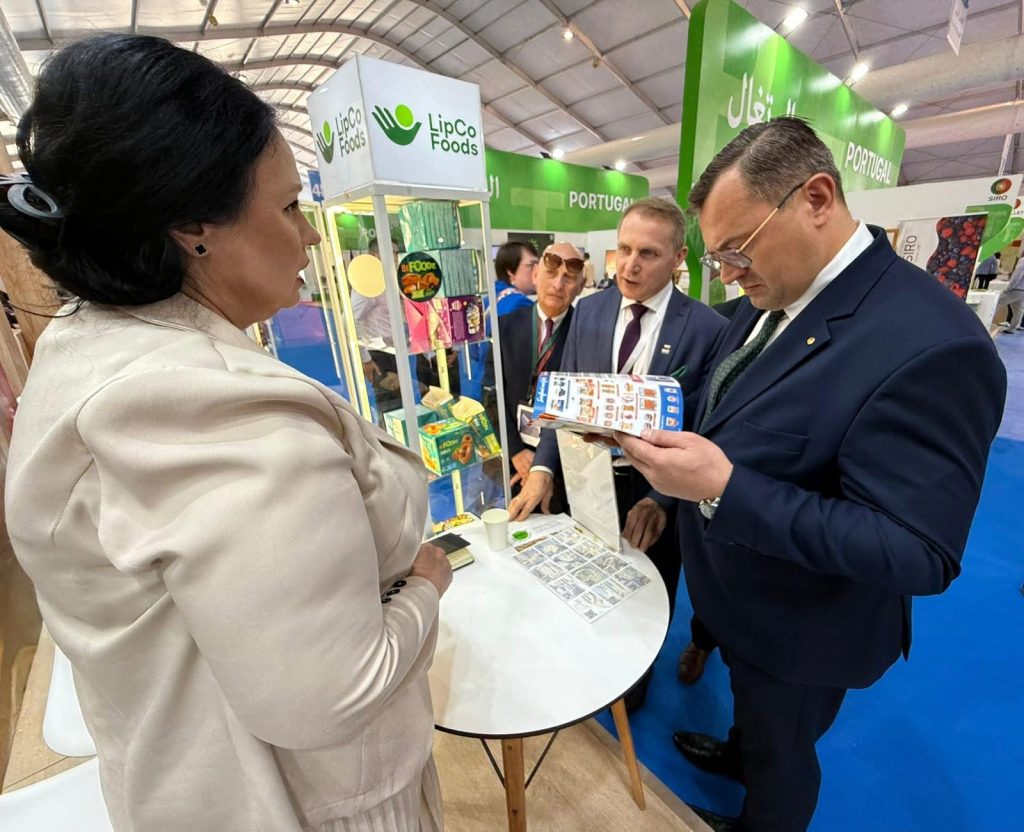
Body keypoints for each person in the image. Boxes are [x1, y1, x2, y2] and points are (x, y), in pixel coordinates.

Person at [2, 34, 452, 832]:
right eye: (289, 207)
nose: (310, 236)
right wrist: (425, 585)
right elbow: (331, 695)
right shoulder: (219, 415)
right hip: (312, 805)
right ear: (192, 227)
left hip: (186, 779)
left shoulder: (87, 343)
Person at [617, 117, 1006, 832]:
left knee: (784, 757)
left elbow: (918, 549)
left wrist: (724, 488)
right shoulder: (769, 297)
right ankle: (740, 753)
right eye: (718, 259)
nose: (729, 275)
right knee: (757, 726)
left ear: (816, 198)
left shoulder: (933, 344)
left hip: (802, 627)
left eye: (737, 250)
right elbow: (728, 412)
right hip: (740, 600)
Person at [508, 197, 726, 710]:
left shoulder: (708, 329)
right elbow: (564, 400)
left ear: (678, 258)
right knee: (585, 585)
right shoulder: (589, 310)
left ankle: (633, 686)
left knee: (647, 597)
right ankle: (589, 668)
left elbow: (704, 427)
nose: (630, 265)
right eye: (624, 249)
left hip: (655, 491)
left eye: (648, 253)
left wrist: (663, 500)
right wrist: (543, 468)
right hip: (585, 477)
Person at [498, 242, 585, 495]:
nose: (558, 285)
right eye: (551, 273)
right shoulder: (505, 326)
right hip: (512, 459)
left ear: (581, 286)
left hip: (562, 471)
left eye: (569, 278)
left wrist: (545, 467)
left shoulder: (586, 335)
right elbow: (493, 395)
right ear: (535, 274)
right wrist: (515, 451)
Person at [492, 240, 538, 316]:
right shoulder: (520, 304)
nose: (537, 270)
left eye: (538, 265)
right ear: (511, 271)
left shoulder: (488, 298)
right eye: (531, 265)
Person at [996, 253, 1024, 332]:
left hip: (1016, 289)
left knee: (997, 303)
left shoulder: (1022, 261)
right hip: (1022, 291)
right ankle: (1012, 328)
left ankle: (985, 323)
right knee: (1018, 310)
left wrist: (1009, 288)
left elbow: (1017, 276)